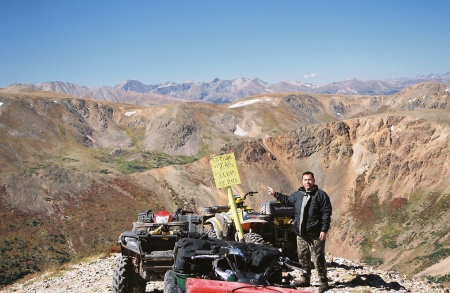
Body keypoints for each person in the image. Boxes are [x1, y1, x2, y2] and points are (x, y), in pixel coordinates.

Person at [268, 171, 332, 293]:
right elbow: (287, 200)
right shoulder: (298, 195)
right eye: (305, 180)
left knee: (318, 258)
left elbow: (326, 214)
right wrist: (275, 194)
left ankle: (323, 282)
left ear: (314, 181)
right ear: (302, 181)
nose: (307, 182)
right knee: (302, 257)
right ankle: (305, 279)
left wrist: (324, 229)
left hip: (315, 234)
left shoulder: (321, 195)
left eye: (309, 179)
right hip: (301, 234)